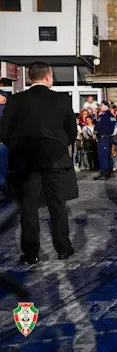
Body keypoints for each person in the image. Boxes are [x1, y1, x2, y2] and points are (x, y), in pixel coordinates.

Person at [0, 62, 77, 264]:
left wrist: (17, 147)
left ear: (30, 77)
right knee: (58, 205)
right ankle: (63, 247)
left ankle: (31, 251)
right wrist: (61, 145)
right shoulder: (61, 99)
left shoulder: (16, 100)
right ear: (48, 77)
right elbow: (72, 131)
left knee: (29, 207)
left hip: (26, 161)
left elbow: (4, 132)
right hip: (56, 159)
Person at [93, 101, 116, 180]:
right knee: (108, 156)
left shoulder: (103, 117)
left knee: (103, 156)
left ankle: (104, 173)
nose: (100, 107)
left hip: (103, 138)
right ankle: (109, 172)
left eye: (101, 106)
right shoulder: (112, 116)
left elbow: (96, 129)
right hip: (109, 137)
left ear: (106, 106)